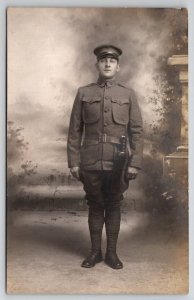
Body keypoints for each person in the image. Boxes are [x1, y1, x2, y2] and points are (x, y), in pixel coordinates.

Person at [67, 44, 143, 269]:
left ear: (118, 67)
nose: (107, 64)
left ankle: (111, 253)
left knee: (114, 204)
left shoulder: (128, 94)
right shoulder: (84, 92)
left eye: (112, 61)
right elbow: (74, 130)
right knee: (95, 204)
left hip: (118, 161)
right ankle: (94, 253)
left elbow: (137, 131)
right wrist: (73, 161)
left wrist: (135, 163)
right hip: (90, 160)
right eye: (103, 61)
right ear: (97, 64)